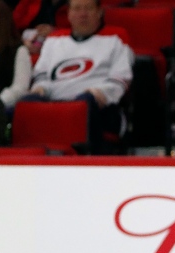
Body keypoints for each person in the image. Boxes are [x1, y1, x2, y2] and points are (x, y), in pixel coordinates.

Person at [23, 0, 132, 153]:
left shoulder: (116, 39)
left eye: (88, 8)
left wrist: (96, 95)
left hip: (98, 108)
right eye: (77, 9)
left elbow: (120, 80)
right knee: (27, 102)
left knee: (85, 104)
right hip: (55, 104)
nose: (82, 14)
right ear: (68, 14)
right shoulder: (54, 40)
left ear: (99, 12)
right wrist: (40, 88)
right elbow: (42, 75)